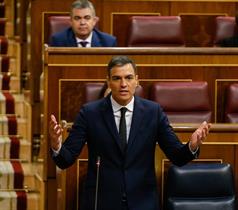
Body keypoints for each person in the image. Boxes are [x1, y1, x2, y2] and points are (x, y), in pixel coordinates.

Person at [49, 55, 211, 210]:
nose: (123, 84)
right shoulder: (90, 113)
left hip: (142, 202)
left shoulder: (152, 112)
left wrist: (191, 146)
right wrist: (57, 145)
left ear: (137, 81)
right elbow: (66, 159)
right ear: (108, 82)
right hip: (102, 201)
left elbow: (176, 156)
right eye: (117, 78)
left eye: (128, 77)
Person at [49, 0, 117, 47]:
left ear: (94, 21)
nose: (82, 22)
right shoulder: (58, 41)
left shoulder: (108, 42)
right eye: (77, 18)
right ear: (71, 21)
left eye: (87, 18)